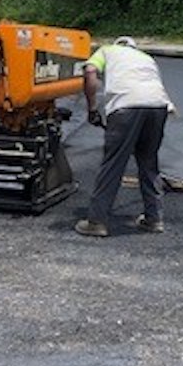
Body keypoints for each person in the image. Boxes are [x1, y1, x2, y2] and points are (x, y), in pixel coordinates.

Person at [75, 37, 175, 238]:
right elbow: (153, 87)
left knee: (113, 163)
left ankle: (96, 221)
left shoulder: (106, 51)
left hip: (126, 107)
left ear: (117, 44)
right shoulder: (146, 58)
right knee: (149, 161)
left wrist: (93, 108)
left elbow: (90, 71)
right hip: (158, 107)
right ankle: (154, 219)